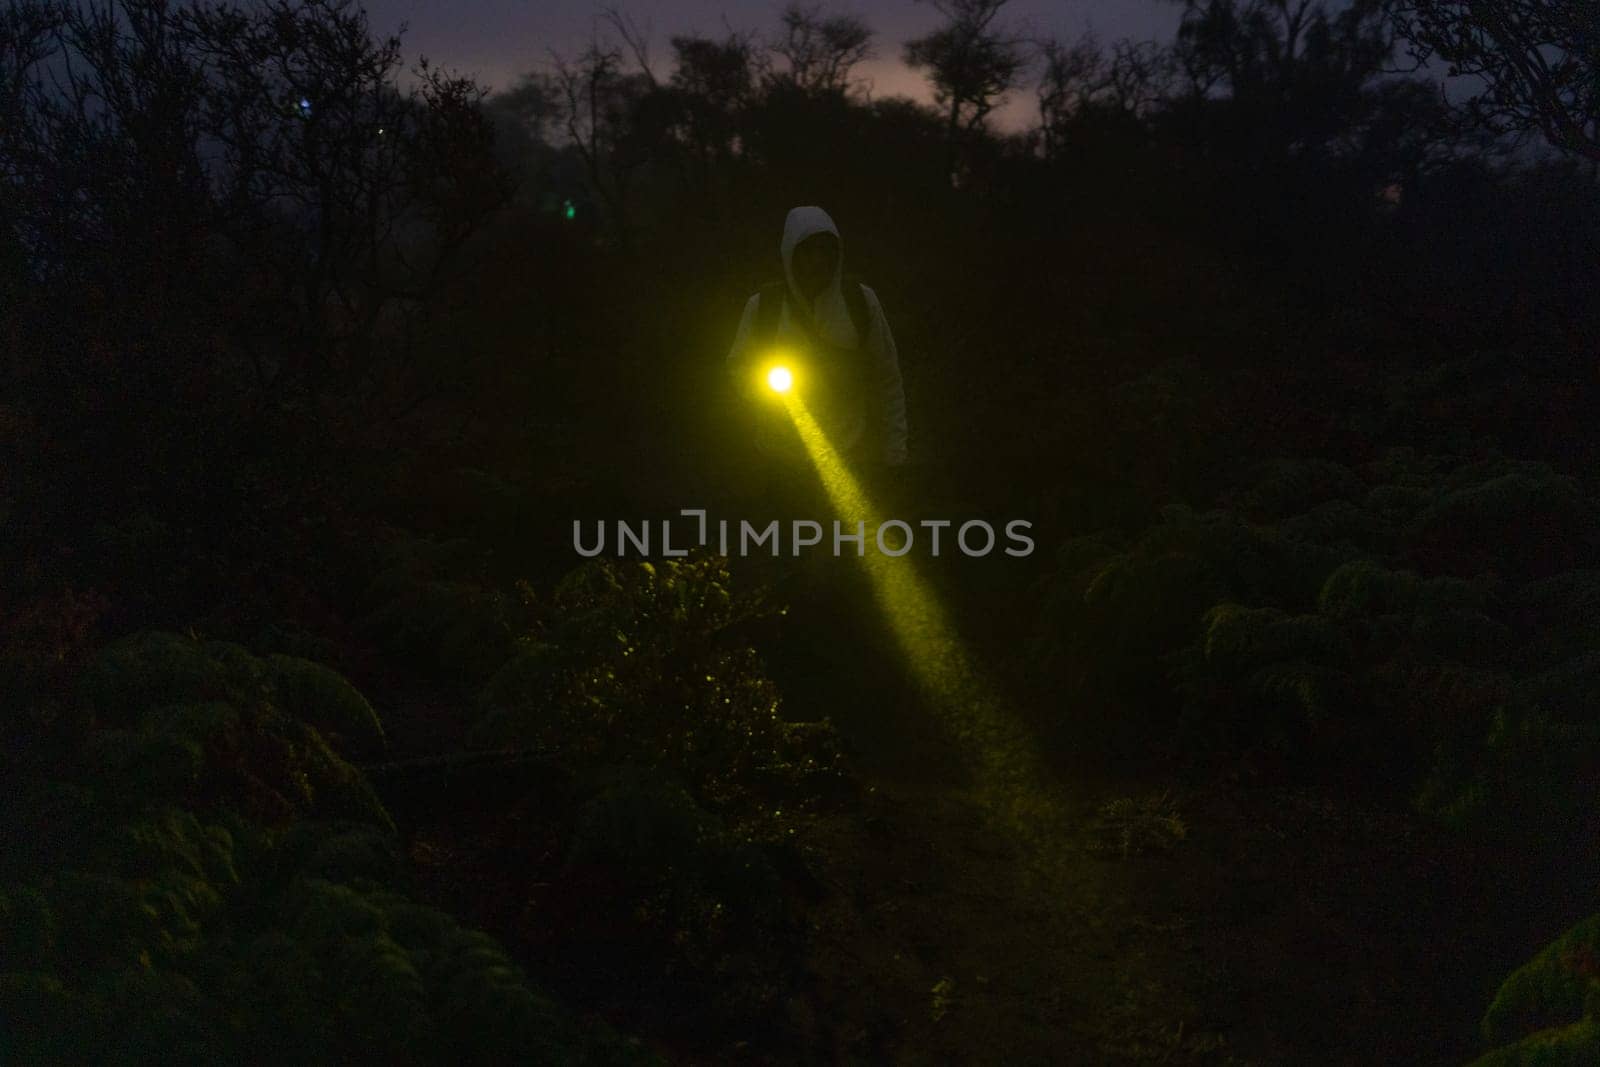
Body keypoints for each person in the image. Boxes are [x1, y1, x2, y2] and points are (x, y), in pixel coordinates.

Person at [725, 206, 908, 513]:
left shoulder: (860, 302)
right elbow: (737, 369)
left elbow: (888, 377)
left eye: (826, 251)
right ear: (790, 254)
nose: (817, 261)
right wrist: (761, 390)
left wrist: (894, 454)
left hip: (853, 455)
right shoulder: (764, 307)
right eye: (808, 251)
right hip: (779, 460)